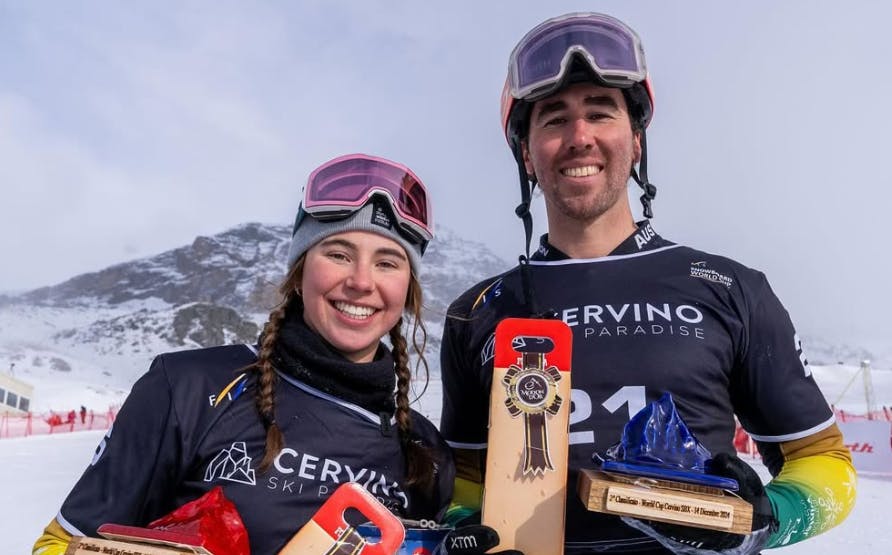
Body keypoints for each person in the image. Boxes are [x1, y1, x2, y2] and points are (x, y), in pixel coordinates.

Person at [438, 12, 856, 555]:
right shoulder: (477, 313)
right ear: (527, 153)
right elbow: (465, 475)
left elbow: (825, 462)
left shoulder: (729, 288)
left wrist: (769, 516)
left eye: (600, 113)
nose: (580, 137)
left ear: (636, 141)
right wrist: (465, 522)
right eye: (554, 119)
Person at [33, 153, 454, 555]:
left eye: (387, 262)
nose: (362, 282)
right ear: (299, 270)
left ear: (409, 290)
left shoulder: (426, 452)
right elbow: (57, 545)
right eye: (338, 254)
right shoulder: (189, 389)